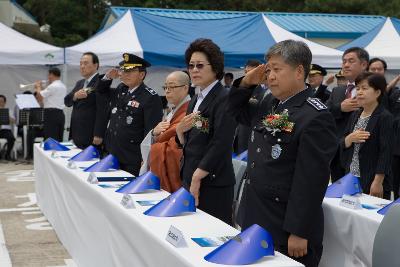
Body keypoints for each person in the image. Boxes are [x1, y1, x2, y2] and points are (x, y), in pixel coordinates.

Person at [228, 40, 337, 267]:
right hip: (257, 214)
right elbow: (235, 111)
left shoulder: (314, 115)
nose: (270, 76)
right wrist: (246, 82)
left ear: (299, 71)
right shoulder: (271, 103)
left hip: (284, 225)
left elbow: (311, 179)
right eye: (268, 70)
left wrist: (299, 231)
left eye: (277, 69)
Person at [176, 38, 237, 225]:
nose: (194, 70)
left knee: (210, 239)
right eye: (191, 65)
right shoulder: (195, 99)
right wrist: (179, 131)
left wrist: (197, 175)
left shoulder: (225, 97)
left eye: (200, 65)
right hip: (191, 177)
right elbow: (190, 141)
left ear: (215, 67)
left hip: (212, 182)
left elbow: (221, 142)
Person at [96, 53, 163, 176]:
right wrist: (107, 77)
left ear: (142, 74)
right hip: (112, 152)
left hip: (131, 157)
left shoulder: (150, 97)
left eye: (130, 71)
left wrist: (146, 158)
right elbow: (100, 90)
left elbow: (150, 132)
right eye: (123, 70)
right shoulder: (122, 89)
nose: (125, 74)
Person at [341, 72, 393, 199]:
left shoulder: (385, 117)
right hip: (351, 177)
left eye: (364, 88)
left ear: (377, 93)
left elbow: (386, 152)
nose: (359, 92)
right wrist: (349, 139)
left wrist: (378, 182)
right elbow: (343, 141)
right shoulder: (355, 114)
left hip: (372, 179)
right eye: (357, 88)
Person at [326, 47, 369, 181]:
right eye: (344, 61)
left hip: (363, 154)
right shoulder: (338, 91)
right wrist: (340, 108)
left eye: (351, 61)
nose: (346, 65)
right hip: (338, 152)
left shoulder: (374, 90)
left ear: (363, 64)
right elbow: (323, 114)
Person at [149, 71, 191, 192]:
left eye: (172, 86)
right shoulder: (173, 110)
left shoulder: (188, 111)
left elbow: (175, 146)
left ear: (185, 88)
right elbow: (162, 136)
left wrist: (156, 144)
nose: (167, 90)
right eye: (165, 87)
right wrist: (154, 133)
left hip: (180, 174)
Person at [64, 52, 108, 149]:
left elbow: (103, 111)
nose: (82, 66)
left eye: (85, 63)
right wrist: (75, 96)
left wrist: (99, 134)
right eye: (80, 64)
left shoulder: (101, 82)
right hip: (76, 134)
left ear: (95, 65)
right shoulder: (80, 83)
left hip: (91, 135)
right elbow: (67, 101)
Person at [233, 59, 266, 154]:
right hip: (239, 135)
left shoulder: (264, 94)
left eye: (251, 72)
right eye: (246, 72)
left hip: (252, 138)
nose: (247, 75)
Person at [34, 67, 66, 142]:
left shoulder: (52, 86)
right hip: (60, 114)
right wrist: (41, 88)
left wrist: (38, 87)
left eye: (49, 75)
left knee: (50, 138)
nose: (48, 77)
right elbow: (43, 99)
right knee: (58, 138)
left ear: (51, 75)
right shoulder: (63, 86)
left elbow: (39, 97)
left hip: (51, 114)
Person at [0, 95, 15, 161]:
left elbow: (14, 121)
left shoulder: (9, 111)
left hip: (6, 130)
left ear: (5, 102)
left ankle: (7, 154)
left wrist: (6, 115)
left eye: (2, 101)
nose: (0, 103)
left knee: (11, 138)